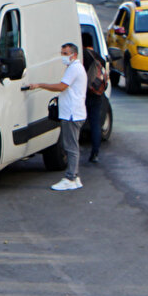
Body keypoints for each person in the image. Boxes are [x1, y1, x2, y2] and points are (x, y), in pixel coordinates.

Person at [23, 43, 87, 191]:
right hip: (73, 113)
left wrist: (40, 85)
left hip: (72, 114)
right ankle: (75, 177)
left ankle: (70, 178)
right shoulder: (75, 68)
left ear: (74, 55)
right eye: (62, 53)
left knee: (70, 147)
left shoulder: (74, 68)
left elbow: (61, 86)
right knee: (71, 145)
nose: (62, 56)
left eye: (65, 53)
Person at [82, 45, 108, 163]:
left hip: (82, 94)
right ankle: (95, 153)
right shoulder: (96, 56)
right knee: (95, 124)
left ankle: (72, 153)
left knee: (75, 123)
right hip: (96, 93)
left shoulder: (81, 56)